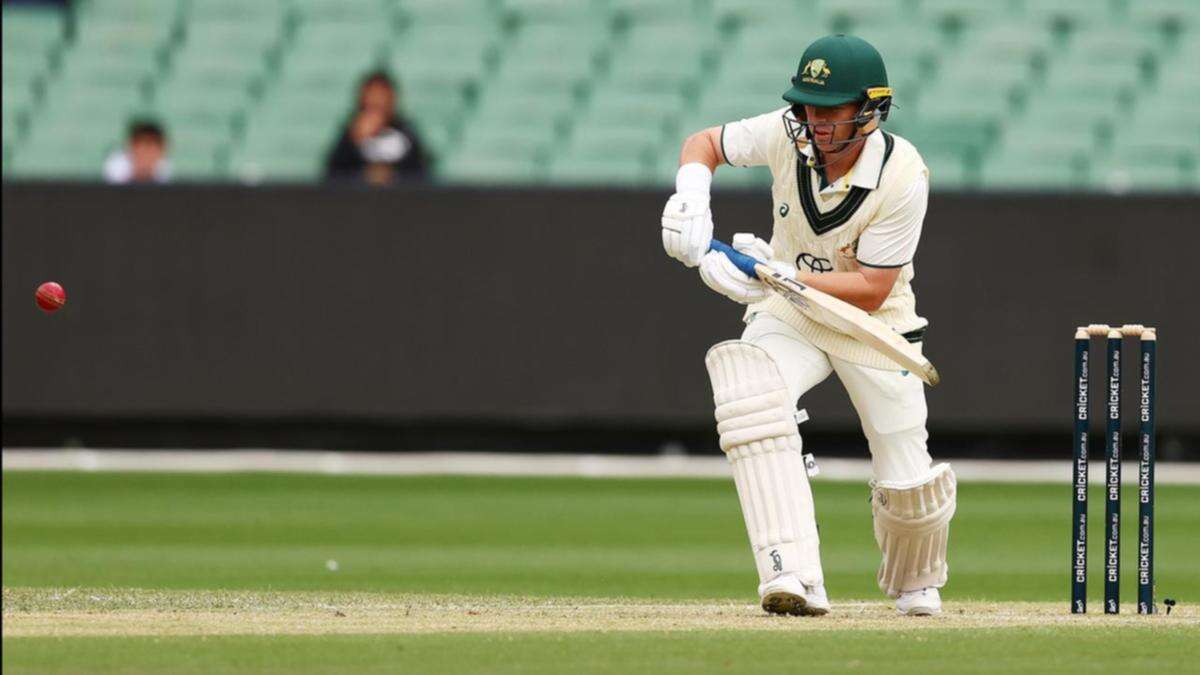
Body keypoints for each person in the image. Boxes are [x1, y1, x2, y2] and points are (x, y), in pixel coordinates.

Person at [661, 34, 954, 617]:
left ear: (869, 110)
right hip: (793, 315)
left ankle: (916, 580)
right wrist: (692, 199)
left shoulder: (903, 175)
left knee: (905, 471)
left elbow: (871, 290)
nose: (815, 122)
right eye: (808, 107)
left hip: (875, 326)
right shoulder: (781, 132)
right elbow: (704, 144)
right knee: (750, 391)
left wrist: (778, 273)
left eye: (831, 109)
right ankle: (791, 574)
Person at [325, 71, 430, 185]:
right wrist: (353, 141)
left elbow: (422, 175)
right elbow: (333, 175)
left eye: (381, 95)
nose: (376, 100)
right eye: (372, 94)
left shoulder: (406, 132)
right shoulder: (350, 133)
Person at [104, 120, 170, 184]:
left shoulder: (168, 183)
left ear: (161, 151)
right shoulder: (113, 182)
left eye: (149, 146)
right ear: (130, 148)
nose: (146, 154)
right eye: (140, 146)